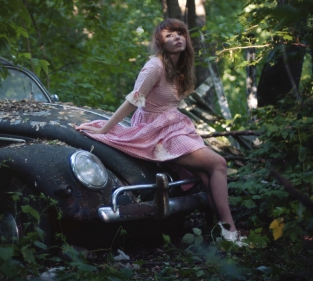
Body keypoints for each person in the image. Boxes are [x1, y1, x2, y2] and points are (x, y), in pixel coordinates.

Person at [75, 18, 246, 246]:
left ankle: (224, 231)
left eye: (180, 33)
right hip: (157, 132)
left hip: (175, 127)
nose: (177, 38)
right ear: (160, 42)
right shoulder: (154, 67)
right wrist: (105, 129)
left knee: (206, 174)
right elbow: (132, 101)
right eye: (169, 35)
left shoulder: (181, 67)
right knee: (219, 163)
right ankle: (230, 231)